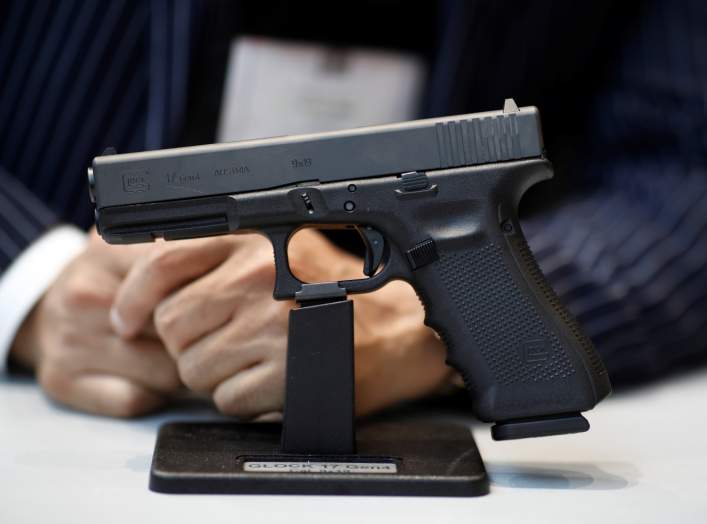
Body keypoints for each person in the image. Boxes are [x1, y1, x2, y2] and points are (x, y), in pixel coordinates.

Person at [2, 0, 706, 418]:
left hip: (444, 417)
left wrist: (420, 324)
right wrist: (31, 280)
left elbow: (685, 171)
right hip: (69, 403)